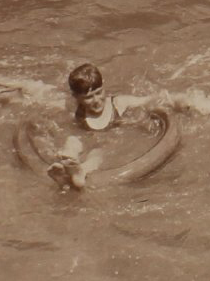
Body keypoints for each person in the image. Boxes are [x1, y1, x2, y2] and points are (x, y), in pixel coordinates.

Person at [46, 62, 191, 190]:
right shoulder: (72, 108)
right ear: (76, 97)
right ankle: (67, 164)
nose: (97, 100)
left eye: (99, 93)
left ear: (103, 85)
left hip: (105, 142)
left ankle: (80, 171)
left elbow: (152, 100)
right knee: (71, 141)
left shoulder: (119, 104)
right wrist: (23, 87)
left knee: (97, 153)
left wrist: (182, 103)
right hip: (84, 138)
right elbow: (41, 97)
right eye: (89, 97)